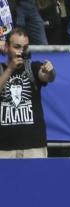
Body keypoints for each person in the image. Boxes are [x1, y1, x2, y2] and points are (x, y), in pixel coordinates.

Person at [0, 28, 54, 159]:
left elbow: (46, 77)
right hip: (4, 147)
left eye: (25, 47)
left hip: (34, 146)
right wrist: (10, 69)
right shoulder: (1, 69)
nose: (21, 51)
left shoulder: (33, 66)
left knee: (37, 180)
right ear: (7, 47)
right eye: (17, 47)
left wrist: (49, 71)